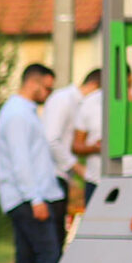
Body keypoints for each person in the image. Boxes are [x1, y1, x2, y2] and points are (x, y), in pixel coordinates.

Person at [0, 63, 63, 263]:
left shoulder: (26, 113)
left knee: (25, 257)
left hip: (27, 195)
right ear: (33, 83)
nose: (48, 93)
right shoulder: (17, 115)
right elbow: (21, 161)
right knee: (49, 253)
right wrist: (35, 199)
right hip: (26, 198)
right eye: (47, 87)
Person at [38, 67, 83, 213]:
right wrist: (77, 168)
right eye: (47, 88)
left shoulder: (74, 102)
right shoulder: (63, 100)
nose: (47, 95)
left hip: (60, 177)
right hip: (53, 177)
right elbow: (51, 140)